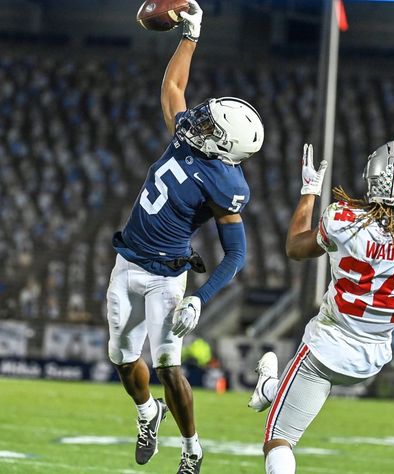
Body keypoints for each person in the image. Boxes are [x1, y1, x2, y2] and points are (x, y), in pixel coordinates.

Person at [248, 140, 394, 474]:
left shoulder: (342, 220)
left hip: (324, 351)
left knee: (277, 439)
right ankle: (270, 388)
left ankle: (272, 389)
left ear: (373, 178)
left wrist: (309, 190)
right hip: (373, 358)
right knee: (291, 395)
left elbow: (296, 247)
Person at [106, 1, 264, 472]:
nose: (201, 121)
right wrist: (190, 35)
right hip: (126, 262)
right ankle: (146, 412)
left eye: (212, 125)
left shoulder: (227, 186)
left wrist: (201, 299)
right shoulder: (186, 137)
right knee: (120, 357)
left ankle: (192, 448)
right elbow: (173, 86)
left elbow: (236, 253)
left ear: (225, 145)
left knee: (168, 366)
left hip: (167, 277)